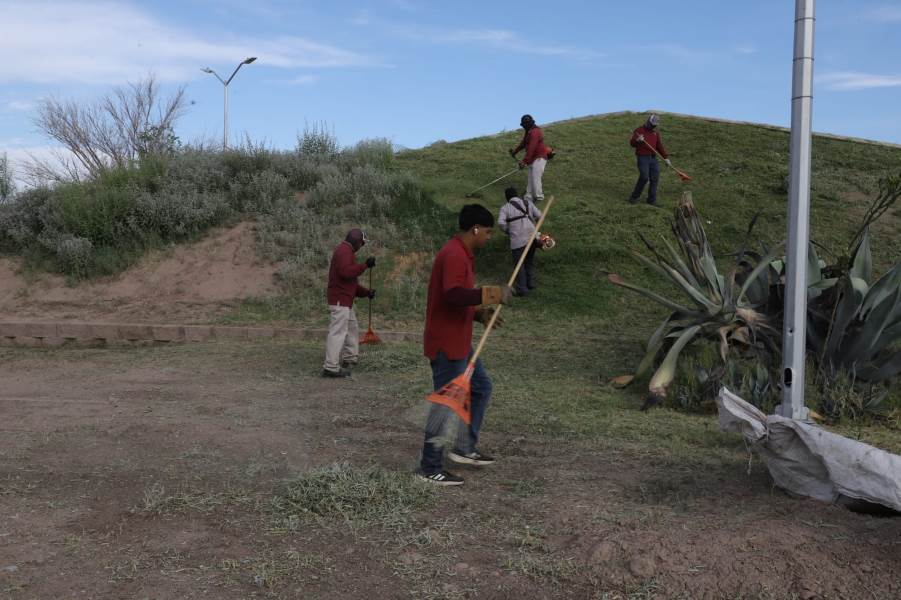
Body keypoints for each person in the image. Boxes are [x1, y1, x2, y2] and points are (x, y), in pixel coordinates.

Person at [417, 204, 513, 486]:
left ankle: (463, 446)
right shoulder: (454, 254)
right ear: (475, 229)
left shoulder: (462, 254)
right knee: (446, 404)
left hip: (459, 341)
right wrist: (491, 294)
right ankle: (429, 468)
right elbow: (453, 295)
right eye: (487, 231)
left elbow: (458, 300)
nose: (488, 237)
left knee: (481, 387)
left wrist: (478, 314)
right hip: (447, 344)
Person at [322, 228, 375, 378]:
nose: (362, 246)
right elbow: (346, 272)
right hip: (340, 300)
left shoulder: (346, 251)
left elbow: (350, 282)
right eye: (362, 243)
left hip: (344, 299)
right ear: (357, 241)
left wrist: (366, 292)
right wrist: (365, 266)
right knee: (338, 332)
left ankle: (349, 358)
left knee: (352, 327)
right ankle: (331, 367)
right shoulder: (344, 251)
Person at [498, 186, 542, 296]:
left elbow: (501, 223)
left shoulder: (505, 208)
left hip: (517, 240)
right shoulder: (527, 203)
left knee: (519, 265)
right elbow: (540, 215)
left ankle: (522, 289)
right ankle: (529, 283)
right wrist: (533, 225)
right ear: (516, 194)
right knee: (529, 261)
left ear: (507, 197)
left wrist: (508, 231)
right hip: (532, 237)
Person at [628, 113, 671, 206]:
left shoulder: (655, 133)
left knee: (655, 178)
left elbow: (659, 146)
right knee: (644, 177)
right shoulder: (639, 130)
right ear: (648, 121)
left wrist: (666, 158)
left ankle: (651, 200)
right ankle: (634, 197)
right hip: (643, 158)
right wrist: (638, 140)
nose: (653, 126)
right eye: (652, 124)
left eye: (655, 125)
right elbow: (632, 143)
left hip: (653, 158)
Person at [509, 114, 552, 204]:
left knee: (536, 177)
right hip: (533, 159)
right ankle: (528, 197)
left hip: (539, 157)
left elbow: (532, 146)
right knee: (531, 178)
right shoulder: (529, 132)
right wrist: (514, 152)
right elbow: (523, 144)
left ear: (528, 124)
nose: (524, 126)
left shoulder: (535, 132)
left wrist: (525, 161)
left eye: (525, 124)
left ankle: (539, 197)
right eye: (523, 125)